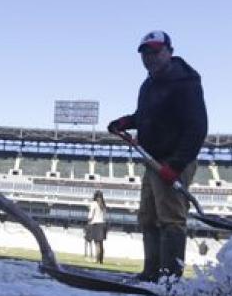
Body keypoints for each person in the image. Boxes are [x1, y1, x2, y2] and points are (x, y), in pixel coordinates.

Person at [107, 31, 207, 282]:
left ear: (169, 52)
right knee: (148, 216)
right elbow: (146, 116)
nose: (150, 57)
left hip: (173, 160)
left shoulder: (185, 82)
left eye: (155, 51)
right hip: (151, 160)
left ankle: (169, 278)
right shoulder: (149, 84)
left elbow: (197, 127)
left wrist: (176, 164)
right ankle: (151, 272)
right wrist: (126, 121)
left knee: (171, 218)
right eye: (145, 53)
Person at [87, 190, 109, 264]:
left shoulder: (94, 203)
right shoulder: (103, 204)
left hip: (96, 224)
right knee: (101, 244)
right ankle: (101, 260)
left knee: (96, 243)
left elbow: (91, 215)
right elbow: (105, 216)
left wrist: (89, 220)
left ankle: (96, 260)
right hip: (103, 224)